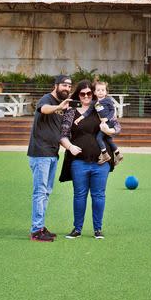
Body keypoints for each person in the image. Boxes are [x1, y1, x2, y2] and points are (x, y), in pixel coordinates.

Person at [59, 80, 112, 239]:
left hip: (101, 162)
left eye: (89, 93)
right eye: (83, 93)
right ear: (78, 95)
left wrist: (108, 130)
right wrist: (70, 147)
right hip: (79, 162)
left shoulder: (100, 109)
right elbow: (63, 135)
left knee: (99, 196)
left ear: (94, 93)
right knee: (79, 195)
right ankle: (77, 229)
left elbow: (114, 128)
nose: (86, 96)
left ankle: (98, 229)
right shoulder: (71, 112)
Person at [26, 74, 73, 241]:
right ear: (56, 85)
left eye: (69, 86)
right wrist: (58, 106)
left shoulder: (63, 105)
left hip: (52, 153)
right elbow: (43, 109)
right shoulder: (47, 99)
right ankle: (36, 230)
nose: (67, 88)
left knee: (46, 192)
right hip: (40, 154)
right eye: (64, 85)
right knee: (40, 192)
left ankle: (40, 226)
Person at [92, 79, 123, 167]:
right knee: (108, 139)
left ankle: (105, 154)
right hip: (105, 123)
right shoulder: (95, 102)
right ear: (94, 92)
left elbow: (113, 110)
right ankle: (117, 153)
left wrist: (107, 119)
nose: (100, 92)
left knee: (99, 138)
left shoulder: (107, 100)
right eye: (98, 90)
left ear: (106, 92)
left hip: (107, 123)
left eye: (103, 90)